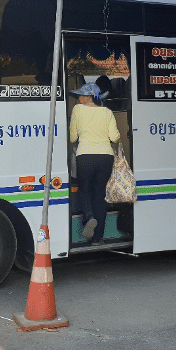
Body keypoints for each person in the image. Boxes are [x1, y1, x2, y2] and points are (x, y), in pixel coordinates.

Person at [69, 82, 120, 245]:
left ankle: (89, 217)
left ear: (88, 97)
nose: (78, 98)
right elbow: (115, 137)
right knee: (99, 195)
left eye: (80, 95)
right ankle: (97, 238)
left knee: (85, 191)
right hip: (106, 157)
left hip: (85, 156)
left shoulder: (77, 110)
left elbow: (72, 137)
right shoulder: (107, 112)